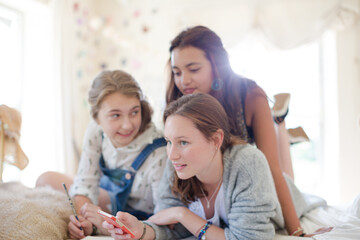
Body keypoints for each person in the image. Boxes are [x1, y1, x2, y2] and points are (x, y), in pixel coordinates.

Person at [164, 25, 305, 236]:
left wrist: (297, 231)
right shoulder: (178, 100)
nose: (184, 80)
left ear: (216, 65)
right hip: (221, 201)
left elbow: (272, 168)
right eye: (177, 72)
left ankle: (280, 124)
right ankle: (282, 124)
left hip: (254, 183)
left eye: (194, 70)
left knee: (284, 174)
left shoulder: (250, 96)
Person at [103, 93, 284, 240]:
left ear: (215, 140)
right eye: (168, 142)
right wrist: (141, 230)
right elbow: (170, 227)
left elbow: (248, 239)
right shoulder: (178, 163)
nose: (172, 154)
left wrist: (183, 215)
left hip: (278, 194)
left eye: (183, 142)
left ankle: (281, 123)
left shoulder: (248, 163)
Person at [35, 70, 167, 239]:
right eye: (116, 115)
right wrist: (84, 221)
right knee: (45, 179)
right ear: (97, 117)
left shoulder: (158, 151)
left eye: (134, 112)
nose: (127, 125)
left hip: (141, 217)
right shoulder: (96, 130)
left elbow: (164, 221)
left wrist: (104, 224)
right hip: (110, 201)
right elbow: (84, 183)